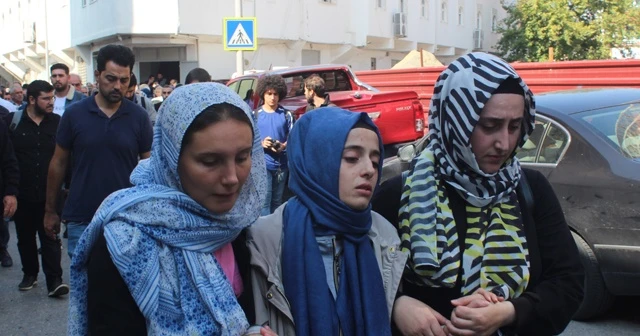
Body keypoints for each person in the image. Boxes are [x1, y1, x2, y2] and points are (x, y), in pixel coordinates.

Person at [372, 52, 584, 336]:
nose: (505, 142)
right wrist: (397, 305)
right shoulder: (397, 195)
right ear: (456, 122)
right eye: (490, 125)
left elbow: (569, 282)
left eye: (515, 125)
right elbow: (361, 279)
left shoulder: (530, 189)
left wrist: (510, 312)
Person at [67, 83, 274, 336]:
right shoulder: (124, 243)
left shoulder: (234, 224)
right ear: (171, 159)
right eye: (210, 161)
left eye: (242, 157)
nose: (232, 177)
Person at [247, 108, 407, 335]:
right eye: (352, 158)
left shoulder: (385, 236)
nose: (369, 170)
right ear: (316, 160)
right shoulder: (263, 241)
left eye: (375, 160)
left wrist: (400, 305)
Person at [43, 45, 153, 259]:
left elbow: (148, 166)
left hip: (126, 218)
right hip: (82, 217)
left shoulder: (139, 117)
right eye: (111, 78)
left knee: (122, 289)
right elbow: (58, 163)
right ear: (97, 75)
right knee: (84, 287)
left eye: (124, 80)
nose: (117, 86)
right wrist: (50, 210)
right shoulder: (74, 115)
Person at [4, 80, 68, 296]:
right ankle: (30, 273)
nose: (51, 102)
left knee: (50, 235)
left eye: (52, 98)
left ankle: (54, 280)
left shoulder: (58, 123)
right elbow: (6, 159)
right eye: (46, 98)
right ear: (31, 100)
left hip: (50, 193)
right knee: (25, 237)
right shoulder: (12, 122)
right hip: (22, 192)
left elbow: (66, 158)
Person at [255, 75, 294, 215]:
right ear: (263, 94)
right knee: (265, 201)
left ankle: (277, 231)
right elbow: (248, 138)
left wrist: (283, 145)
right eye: (269, 94)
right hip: (263, 164)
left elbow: (293, 136)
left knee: (277, 201)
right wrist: (261, 143)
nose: (272, 97)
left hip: (281, 165)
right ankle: (265, 233)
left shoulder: (286, 114)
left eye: (275, 94)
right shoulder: (256, 115)